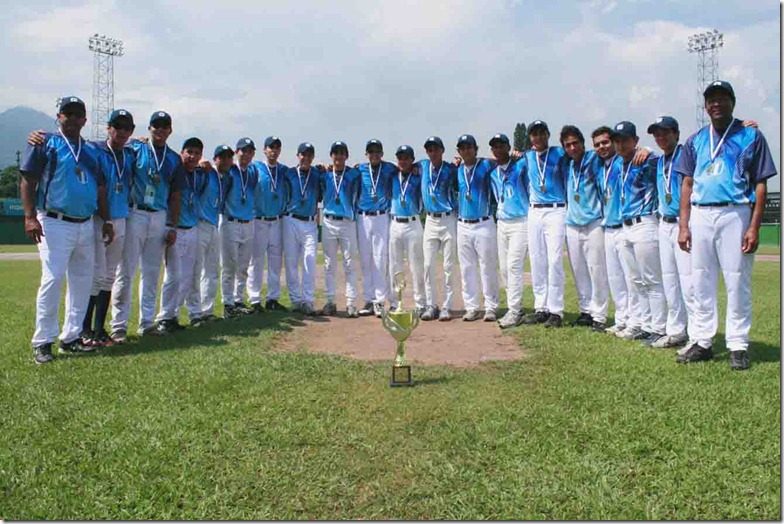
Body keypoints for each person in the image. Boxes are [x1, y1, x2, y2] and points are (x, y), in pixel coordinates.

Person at [676, 80, 777, 370]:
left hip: (735, 212)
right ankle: (702, 340)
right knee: (700, 280)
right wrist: (684, 226)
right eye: (711, 99)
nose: (716, 103)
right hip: (701, 213)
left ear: (733, 102)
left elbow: (760, 183)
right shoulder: (695, 139)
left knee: (737, 280)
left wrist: (754, 226)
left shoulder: (751, 136)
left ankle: (738, 345)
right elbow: (687, 183)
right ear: (705, 106)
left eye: (722, 98)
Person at [20, 95, 114, 364]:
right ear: (58, 116)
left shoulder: (93, 151)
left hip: (85, 222)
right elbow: (28, 179)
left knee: (82, 283)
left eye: (77, 114)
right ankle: (43, 341)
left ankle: (71, 337)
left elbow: (100, 189)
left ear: (85, 119)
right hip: (54, 220)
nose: (72, 118)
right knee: (53, 279)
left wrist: (106, 220)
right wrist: (29, 217)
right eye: (67, 113)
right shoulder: (45, 142)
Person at [111, 111, 184, 341]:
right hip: (136, 212)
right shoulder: (136, 149)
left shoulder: (173, 159)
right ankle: (119, 324)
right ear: (149, 128)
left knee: (151, 272)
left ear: (170, 130)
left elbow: (176, 194)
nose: (160, 130)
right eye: (156, 126)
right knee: (126, 271)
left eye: (165, 126)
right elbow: (113, 150)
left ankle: (147, 322)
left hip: (159, 216)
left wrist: (172, 225)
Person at [612, 121, 666, 346]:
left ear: (635, 141)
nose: (620, 145)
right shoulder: (617, 164)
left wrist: (649, 150)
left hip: (645, 222)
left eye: (625, 140)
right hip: (625, 225)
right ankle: (645, 324)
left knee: (652, 279)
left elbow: (666, 157)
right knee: (635, 280)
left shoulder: (647, 160)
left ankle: (660, 327)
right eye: (617, 140)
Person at [646, 116, 692, 348]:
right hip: (663, 223)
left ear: (676, 133)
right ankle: (676, 331)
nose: (660, 137)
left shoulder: (687, 153)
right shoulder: (658, 160)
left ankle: (696, 334)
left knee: (689, 280)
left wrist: (743, 125)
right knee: (670, 280)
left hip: (684, 224)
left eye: (665, 132)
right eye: (656, 134)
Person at [561, 125, 609, 331]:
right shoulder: (566, 165)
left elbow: (615, 152)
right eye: (568, 145)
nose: (572, 148)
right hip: (572, 224)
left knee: (596, 269)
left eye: (575, 143)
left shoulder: (594, 159)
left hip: (593, 222)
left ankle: (599, 315)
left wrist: (645, 149)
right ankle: (585, 311)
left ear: (582, 144)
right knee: (579, 270)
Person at [154, 137, 204, 333]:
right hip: (174, 228)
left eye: (196, 153)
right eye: (189, 152)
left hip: (192, 228)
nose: (192, 156)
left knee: (186, 276)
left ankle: (173, 314)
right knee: (173, 275)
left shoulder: (200, 175)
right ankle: (164, 317)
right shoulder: (174, 170)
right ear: (182, 152)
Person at [521, 120, 567, 328]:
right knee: (537, 260)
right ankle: (541, 307)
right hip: (534, 211)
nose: (537, 137)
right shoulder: (527, 156)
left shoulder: (559, 153)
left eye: (541, 133)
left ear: (548, 135)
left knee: (555, 259)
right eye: (534, 134)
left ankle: (556, 310)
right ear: (530, 137)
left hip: (556, 209)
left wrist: (644, 149)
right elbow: (501, 163)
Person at [592, 126, 635, 336]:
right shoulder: (600, 167)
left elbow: (641, 152)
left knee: (631, 277)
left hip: (624, 227)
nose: (602, 147)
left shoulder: (624, 161)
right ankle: (621, 318)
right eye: (598, 144)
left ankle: (635, 321)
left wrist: (643, 149)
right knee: (615, 278)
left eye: (605, 142)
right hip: (608, 228)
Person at [455, 134, 499, 322]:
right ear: (459, 151)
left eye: (469, 147)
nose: (466, 151)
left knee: (487, 267)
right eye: (462, 148)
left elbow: (502, 161)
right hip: (463, 224)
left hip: (484, 223)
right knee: (467, 268)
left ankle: (491, 306)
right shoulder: (456, 170)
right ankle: (471, 307)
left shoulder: (487, 166)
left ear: (476, 148)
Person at [488, 133, 530, 329]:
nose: (498, 149)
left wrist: (523, 154)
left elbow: (535, 158)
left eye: (501, 145)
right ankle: (514, 307)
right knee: (504, 267)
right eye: (494, 146)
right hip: (502, 223)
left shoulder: (521, 165)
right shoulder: (493, 173)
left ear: (508, 146)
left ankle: (515, 310)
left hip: (520, 221)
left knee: (514, 265)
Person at [418, 136, 459, 321]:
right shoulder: (422, 166)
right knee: (428, 265)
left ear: (442, 150)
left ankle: (447, 306)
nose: (432, 153)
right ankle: (431, 305)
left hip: (448, 219)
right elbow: (401, 166)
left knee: (449, 266)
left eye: (436, 149)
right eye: (429, 150)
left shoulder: (451, 169)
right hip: (431, 221)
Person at [320, 141, 361, 317]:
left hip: (347, 222)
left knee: (350, 263)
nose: (339, 156)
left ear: (347, 155)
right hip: (328, 221)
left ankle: (351, 303)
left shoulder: (353, 174)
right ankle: (330, 301)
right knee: (329, 264)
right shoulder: (325, 176)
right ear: (331, 155)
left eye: (342, 153)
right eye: (336, 153)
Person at [248, 136, 289, 313]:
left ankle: (273, 298)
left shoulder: (284, 170)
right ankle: (254, 299)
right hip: (259, 221)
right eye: (271, 147)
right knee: (256, 261)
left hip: (277, 221)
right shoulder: (255, 167)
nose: (274, 150)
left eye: (277, 147)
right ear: (264, 150)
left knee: (275, 262)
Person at [356, 139, 396, 317]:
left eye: (377, 151)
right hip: (363, 218)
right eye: (370, 151)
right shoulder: (359, 170)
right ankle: (369, 300)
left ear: (382, 153)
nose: (374, 154)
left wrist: (416, 167)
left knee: (381, 260)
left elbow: (407, 168)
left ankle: (380, 300)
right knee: (365, 260)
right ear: (366, 154)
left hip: (381, 216)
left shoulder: (389, 168)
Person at [191, 144, 229, 325]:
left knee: (212, 271)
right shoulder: (206, 172)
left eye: (229, 157)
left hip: (214, 225)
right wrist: (199, 165)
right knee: (196, 270)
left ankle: (207, 310)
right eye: (222, 157)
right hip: (200, 224)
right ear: (215, 159)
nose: (226, 160)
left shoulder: (224, 177)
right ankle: (194, 312)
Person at [220, 137, 258, 318]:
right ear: (237, 152)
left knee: (243, 266)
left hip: (248, 223)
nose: (247, 154)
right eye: (244, 150)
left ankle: (239, 300)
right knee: (229, 266)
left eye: (250, 151)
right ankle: (227, 304)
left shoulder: (253, 173)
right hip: (230, 222)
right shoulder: (230, 171)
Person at [282, 142, 321, 315]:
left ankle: (308, 300)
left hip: (310, 221)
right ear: (298, 156)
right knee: (291, 262)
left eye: (309, 155)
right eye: (303, 155)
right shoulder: (289, 173)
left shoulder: (318, 174)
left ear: (313, 157)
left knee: (310, 260)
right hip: (291, 220)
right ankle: (296, 300)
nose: (306, 158)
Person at [388, 145, 426, 314]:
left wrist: (417, 166)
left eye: (406, 158)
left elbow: (427, 164)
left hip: (413, 223)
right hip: (395, 223)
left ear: (412, 159)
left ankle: (420, 303)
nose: (403, 161)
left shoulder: (419, 175)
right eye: (400, 158)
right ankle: (395, 303)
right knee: (394, 265)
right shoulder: (392, 175)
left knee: (416, 266)